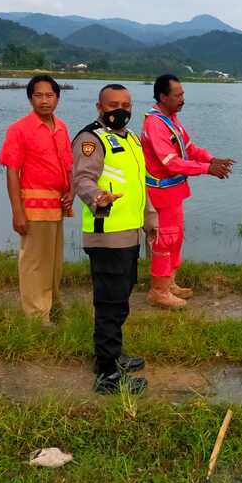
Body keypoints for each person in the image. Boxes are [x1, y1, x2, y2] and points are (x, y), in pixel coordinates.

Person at [72, 84, 158, 395]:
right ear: (99, 107)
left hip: (130, 234)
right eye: (113, 104)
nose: (119, 110)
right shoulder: (91, 139)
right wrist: (98, 197)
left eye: (126, 104)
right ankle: (107, 375)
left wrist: (150, 220)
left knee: (120, 301)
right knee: (109, 304)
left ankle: (112, 354)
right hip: (106, 235)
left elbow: (140, 185)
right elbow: (82, 179)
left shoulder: (132, 139)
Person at [141, 74, 234, 309]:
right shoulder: (155, 123)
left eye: (182, 94)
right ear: (163, 97)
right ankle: (158, 291)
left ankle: (169, 282)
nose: (182, 99)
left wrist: (212, 159)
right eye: (178, 95)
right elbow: (170, 162)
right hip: (161, 193)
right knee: (165, 240)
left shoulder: (171, 119)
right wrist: (207, 169)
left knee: (175, 237)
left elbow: (189, 148)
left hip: (175, 192)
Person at [0, 74, 73, 325]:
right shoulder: (19, 129)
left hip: (57, 206)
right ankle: (36, 316)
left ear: (57, 98)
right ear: (30, 98)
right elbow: (12, 171)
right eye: (38, 95)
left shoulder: (61, 127)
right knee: (34, 262)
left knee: (53, 262)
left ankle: (52, 306)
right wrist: (17, 212)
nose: (44, 100)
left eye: (49, 95)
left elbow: (67, 166)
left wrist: (70, 193)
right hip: (33, 206)